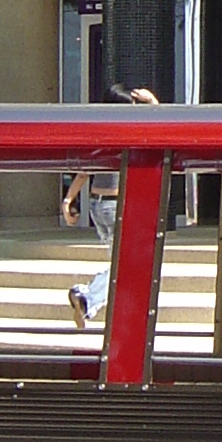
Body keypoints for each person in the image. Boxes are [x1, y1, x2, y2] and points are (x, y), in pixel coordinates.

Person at [62, 84, 158, 330]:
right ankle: (86, 296)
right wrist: (153, 102)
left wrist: (68, 200)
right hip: (117, 205)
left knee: (123, 263)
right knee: (127, 267)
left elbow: (86, 171)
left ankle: (92, 302)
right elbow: (161, 128)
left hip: (97, 204)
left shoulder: (101, 132)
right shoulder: (130, 132)